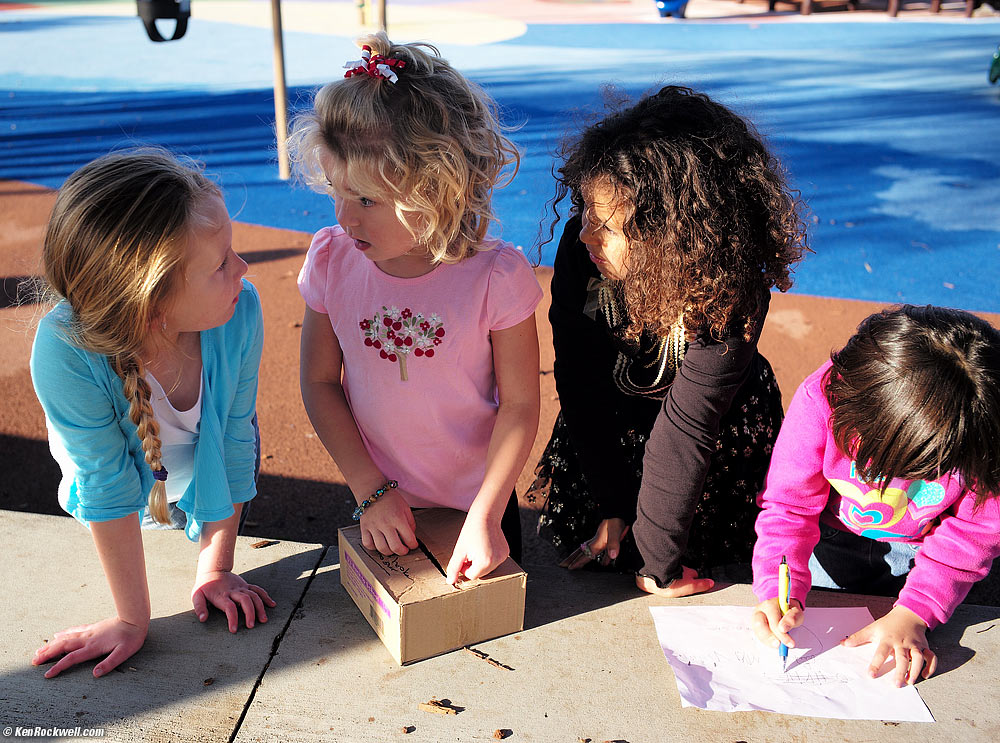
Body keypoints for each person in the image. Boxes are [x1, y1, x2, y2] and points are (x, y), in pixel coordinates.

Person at [530, 85, 806, 596]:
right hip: (613, 415)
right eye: (586, 210)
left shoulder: (728, 289)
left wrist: (659, 565)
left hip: (711, 428)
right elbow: (580, 384)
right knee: (599, 546)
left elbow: (687, 427)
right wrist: (612, 503)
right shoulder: (581, 252)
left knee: (703, 553)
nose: (587, 233)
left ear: (673, 236)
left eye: (609, 226)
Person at [289, 34, 542, 585]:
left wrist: (487, 514)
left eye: (367, 200)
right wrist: (370, 491)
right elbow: (318, 381)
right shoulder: (332, 259)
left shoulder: (496, 276)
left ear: (438, 187)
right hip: (376, 501)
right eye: (337, 192)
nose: (346, 218)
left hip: (481, 509)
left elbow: (520, 405)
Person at [29, 150, 274, 679]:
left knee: (213, 485)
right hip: (128, 472)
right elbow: (105, 479)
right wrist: (130, 619)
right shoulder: (64, 351)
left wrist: (216, 568)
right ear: (153, 303)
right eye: (220, 264)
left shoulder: (239, 311)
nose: (244, 268)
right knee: (139, 506)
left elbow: (233, 440)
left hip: (203, 466)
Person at [752, 305, 1000, 687]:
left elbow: (975, 534)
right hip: (831, 541)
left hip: (931, 548)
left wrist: (916, 612)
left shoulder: (984, 429)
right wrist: (775, 585)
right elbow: (789, 507)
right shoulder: (820, 402)